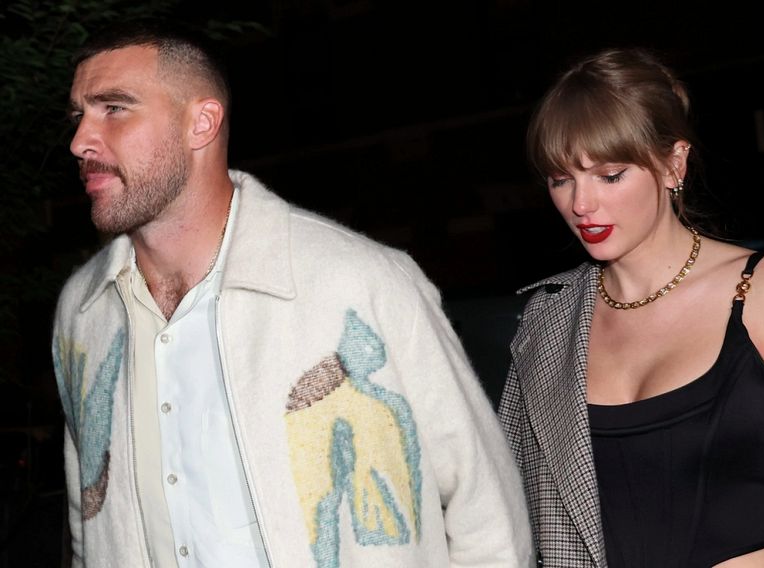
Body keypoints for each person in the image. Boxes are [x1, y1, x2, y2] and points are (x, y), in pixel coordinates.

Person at [51, 19, 533, 568]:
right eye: (78, 115)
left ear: (200, 123)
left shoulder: (355, 283)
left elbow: (488, 516)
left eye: (114, 108)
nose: (80, 141)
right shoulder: (82, 310)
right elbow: (90, 513)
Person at [498, 46, 764, 567]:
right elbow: (509, 514)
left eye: (610, 175)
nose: (581, 205)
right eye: (561, 179)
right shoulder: (548, 322)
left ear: (673, 163)